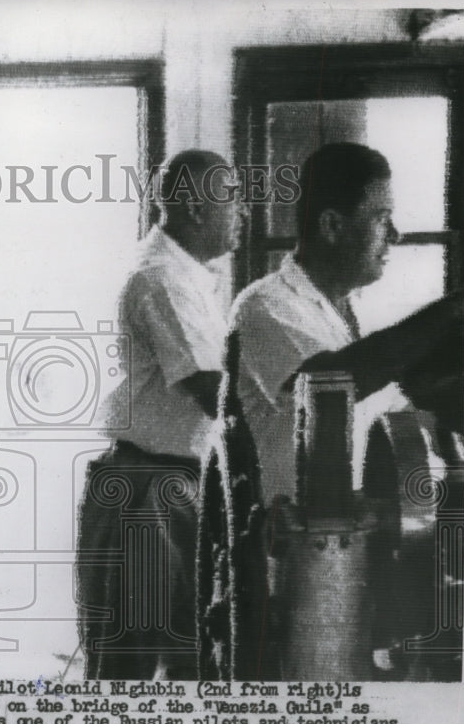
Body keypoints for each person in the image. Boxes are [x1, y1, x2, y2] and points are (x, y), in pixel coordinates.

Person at [76, 149, 244, 680]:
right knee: (129, 671)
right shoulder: (162, 279)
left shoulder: (188, 275)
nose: (243, 210)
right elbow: (210, 389)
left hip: (169, 482)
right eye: (233, 197)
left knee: (189, 658)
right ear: (196, 208)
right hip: (148, 489)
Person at [229, 142, 401, 507]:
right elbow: (327, 385)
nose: (395, 236)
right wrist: (449, 313)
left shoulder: (360, 310)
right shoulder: (264, 306)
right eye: (382, 219)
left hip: (352, 532)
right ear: (332, 225)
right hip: (286, 545)